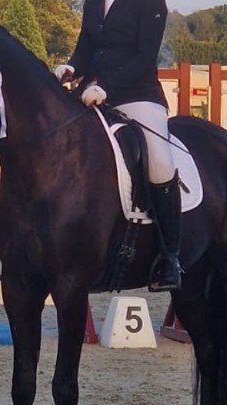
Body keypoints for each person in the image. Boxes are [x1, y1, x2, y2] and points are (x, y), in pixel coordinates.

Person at [54, 0, 181, 291]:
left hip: (137, 94)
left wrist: (107, 86)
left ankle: (171, 257)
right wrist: (72, 67)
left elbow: (145, 58)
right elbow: (86, 47)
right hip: (92, 94)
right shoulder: (93, 2)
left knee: (160, 162)